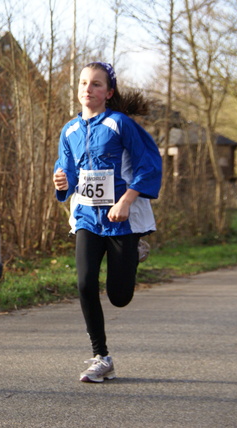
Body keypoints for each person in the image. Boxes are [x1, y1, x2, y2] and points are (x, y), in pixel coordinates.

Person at [53, 62, 162, 383]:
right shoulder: (69, 130)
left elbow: (149, 163)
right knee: (85, 284)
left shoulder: (120, 124)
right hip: (87, 216)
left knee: (119, 296)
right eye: (84, 83)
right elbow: (67, 170)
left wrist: (126, 201)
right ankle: (101, 356)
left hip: (121, 220)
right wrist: (62, 181)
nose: (88, 88)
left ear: (108, 92)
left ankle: (135, 249)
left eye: (96, 84)